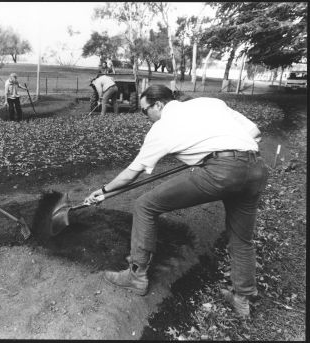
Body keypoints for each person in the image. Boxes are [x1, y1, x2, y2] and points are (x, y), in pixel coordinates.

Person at [84, 85, 267, 318]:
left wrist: (103, 190)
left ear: (158, 105)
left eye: (145, 111)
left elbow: (132, 174)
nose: (146, 117)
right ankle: (243, 298)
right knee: (242, 239)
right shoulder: (209, 103)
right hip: (256, 169)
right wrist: (218, 149)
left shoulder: (161, 128)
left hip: (222, 171)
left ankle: (136, 276)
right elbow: (254, 131)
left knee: (144, 205)